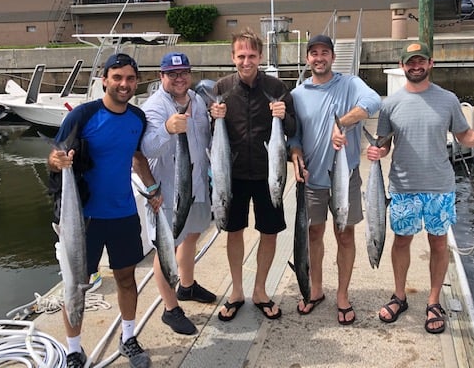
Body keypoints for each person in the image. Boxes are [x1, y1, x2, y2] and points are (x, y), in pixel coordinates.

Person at [366, 41, 474, 334]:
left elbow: (464, 136)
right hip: (403, 186)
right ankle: (399, 296)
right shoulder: (390, 104)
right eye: (410, 62)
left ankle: (434, 301)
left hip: (440, 186)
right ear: (403, 66)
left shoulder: (448, 100)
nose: (415, 66)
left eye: (421, 61)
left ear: (430, 63)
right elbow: (384, 144)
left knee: (438, 243)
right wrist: (377, 152)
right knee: (401, 241)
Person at [48, 53, 158, 368]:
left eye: (130, 78)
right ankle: (72, 350)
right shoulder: (82, 116)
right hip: (83, 219)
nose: (124, 84)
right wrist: (59, 161)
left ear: (136, 82)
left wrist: (153, 191)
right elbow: (53, 156)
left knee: (126, 278)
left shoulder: (137, 118)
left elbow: (137, 158)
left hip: (123, 213)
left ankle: (128, 338)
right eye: (117, 78)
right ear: (104, 80)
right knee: (77, 284)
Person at [289, 34, 381, 325]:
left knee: (345, 234)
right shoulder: (297, 93)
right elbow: (293, 134)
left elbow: (374, 101)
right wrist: (294, 153)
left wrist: (343, 122)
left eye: (324, 52)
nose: (319, 58)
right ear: (307, 59)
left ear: (332, 56)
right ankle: (315, 290)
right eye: (313, 53)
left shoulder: (350, 83)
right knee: (313, 235)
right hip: (312, 178)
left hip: (347, 177)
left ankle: (342, 295)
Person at [209, 27, 296, 322]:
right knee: (234, 232)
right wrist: (213, 119)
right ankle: (236, 291)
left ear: (260, 56)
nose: (246, 61)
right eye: (241, 56)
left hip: (268, 174)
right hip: (230, 175)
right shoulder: (221, 88)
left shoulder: (276, 87)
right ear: (233, 57)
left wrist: (284, 116)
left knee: (269, 232)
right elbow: (209, 136)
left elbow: (294, 130)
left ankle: (260, 291)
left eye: (252, 56)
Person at [140, 52, 216, 336]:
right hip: (169, 194)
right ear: (162, 77)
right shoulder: (154, 107)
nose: (179, 78)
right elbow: (146, 149)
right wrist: (167, 129)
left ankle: (187, 286)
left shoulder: (197, 100)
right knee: (166, 248)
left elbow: (205, 141)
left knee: (193, 234)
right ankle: (170, 309)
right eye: (172, 74)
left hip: (196, 186)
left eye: (183, 72)